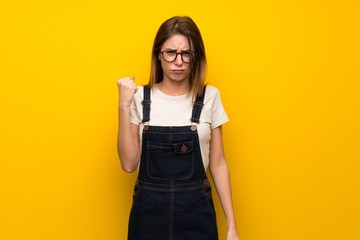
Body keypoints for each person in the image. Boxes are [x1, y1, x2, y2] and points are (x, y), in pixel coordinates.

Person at [117, 16, 239, 240]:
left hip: (197, 216)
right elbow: (128, 164)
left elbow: (218, 163)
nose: (178, 61)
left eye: (186, 54)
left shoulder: (209, 96)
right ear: (158, 55)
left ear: (196, 57)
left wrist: (232, 226)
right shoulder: (139, 98)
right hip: (148, 219)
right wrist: (123, 105)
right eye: (170, 52)